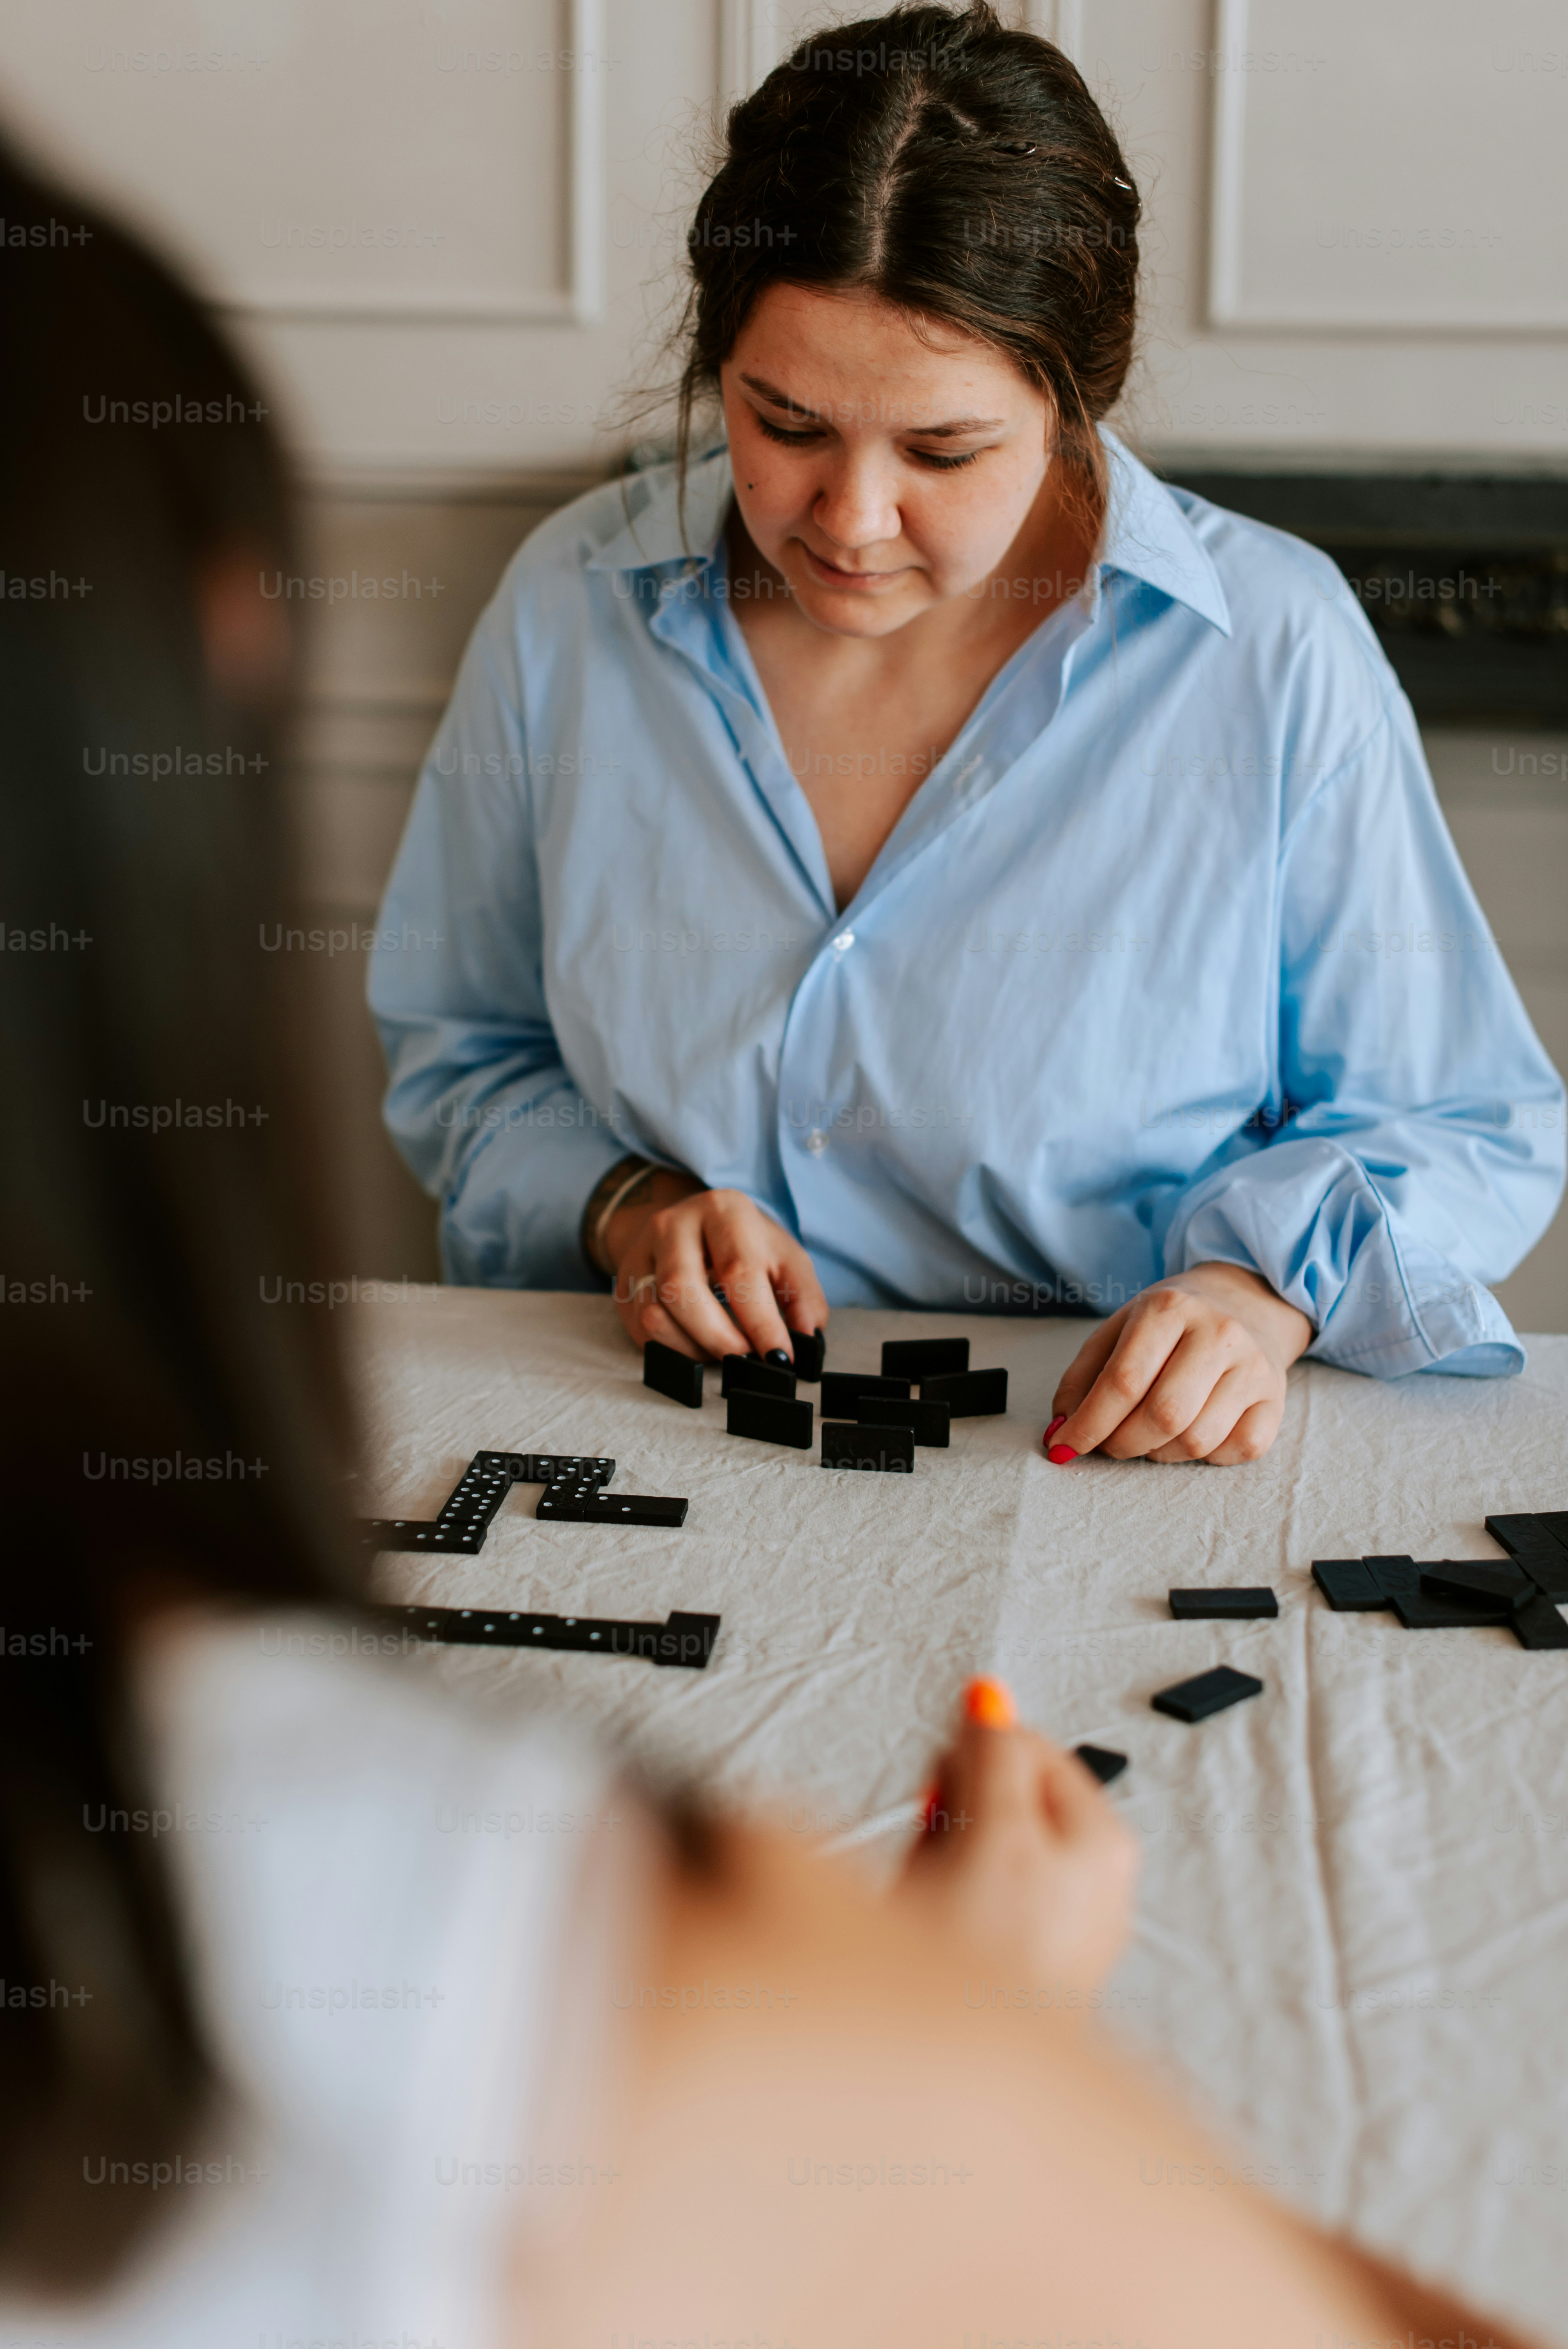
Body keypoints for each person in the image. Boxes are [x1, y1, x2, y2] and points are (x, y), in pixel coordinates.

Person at [370, 0, 1563, 1470]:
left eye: (942, 450)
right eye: (785, 423)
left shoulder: (1265, 647)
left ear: (1070, 402)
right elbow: (466, 1051)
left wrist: (1257, 1295)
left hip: (1104, 1464)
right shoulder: (571, 606)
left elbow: (1465, 1120)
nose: (852, 520)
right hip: (659, 1438)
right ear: (713, 364)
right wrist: (630, 1205)